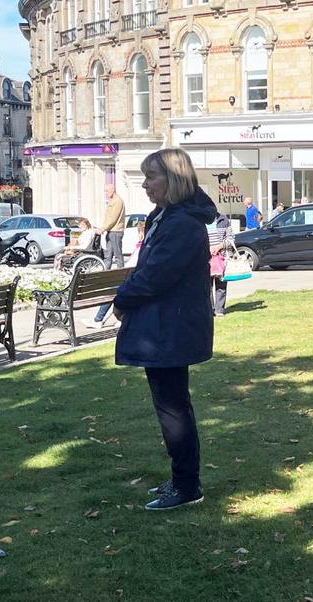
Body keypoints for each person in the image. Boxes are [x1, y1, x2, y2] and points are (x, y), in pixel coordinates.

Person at [112, 148, 217, 511]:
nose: (145, 184)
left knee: (173, 409)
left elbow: (155, 274)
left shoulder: (181, 223)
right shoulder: (168, 216)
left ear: (172, 180)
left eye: (151, 177)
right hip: (165, 328)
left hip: (171, 330)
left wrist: (122, 298)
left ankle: (187, 486)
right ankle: (181, 479)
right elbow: (149, 269)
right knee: (171, 407)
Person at [208, 213, 232, 316]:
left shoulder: (223, 220)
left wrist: (219, 246)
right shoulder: (199, 221)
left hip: (221, 258)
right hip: (205, 258)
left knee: (221, 285)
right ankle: (209, 310)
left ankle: (219, 310)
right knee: (206, 286)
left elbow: (231, 239)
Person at [97, 184, 126, 269]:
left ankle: (121, 276)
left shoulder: (118, 201)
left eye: (107, 191)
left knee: (118, 255)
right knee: (108, 255)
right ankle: (105, 275)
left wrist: (103, 228)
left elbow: (113, 218)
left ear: (113, 190)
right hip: (111, 231)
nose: (106, 193)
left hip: (116, 232)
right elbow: (108, 217)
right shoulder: (112, 200)